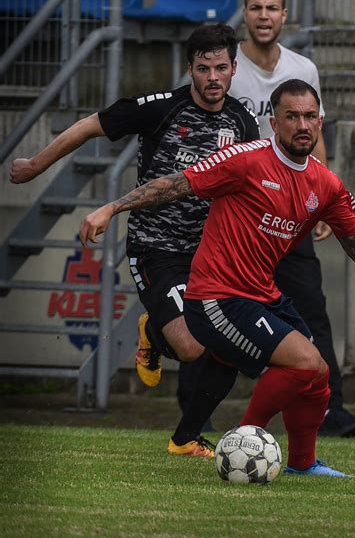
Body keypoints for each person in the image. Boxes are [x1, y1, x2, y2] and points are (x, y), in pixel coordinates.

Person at [79, 79, 355, 477]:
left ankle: (304, 464)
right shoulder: (245, 159)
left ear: (321, 121)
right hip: (215, 297)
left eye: (310, 116)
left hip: (262, 295)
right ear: (273, 122)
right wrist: (112, 207)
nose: (303, 124)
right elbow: (177, 184)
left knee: (319, 375)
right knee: (301, 363)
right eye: (292, 116)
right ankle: (244, 444)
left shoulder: (326, 184)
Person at [10, 23, 260, 457]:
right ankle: (156, 331)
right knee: (192, 345)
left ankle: (185, 439)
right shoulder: (161, 107)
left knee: (228, 346)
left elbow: (252, 184)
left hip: (210, 254)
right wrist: (35, 164)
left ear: (234, 68)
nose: (214, 77)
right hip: (155, 247)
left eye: (222, 67)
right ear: (191, 69)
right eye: (204, 68)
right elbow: (91, 125)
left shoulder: (243, 122)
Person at [228, 0, 355, 437]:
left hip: (289, 217)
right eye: (256, 7)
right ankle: (193, 421)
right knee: (217, 310)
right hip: (236, 219)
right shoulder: (224, 67)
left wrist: (325, 205)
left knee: (312, 309)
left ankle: (331, 410)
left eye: (273, 8)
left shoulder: (303, 68)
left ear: (285, 15)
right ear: (245, 14)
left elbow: (315, 138)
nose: (264, 16)